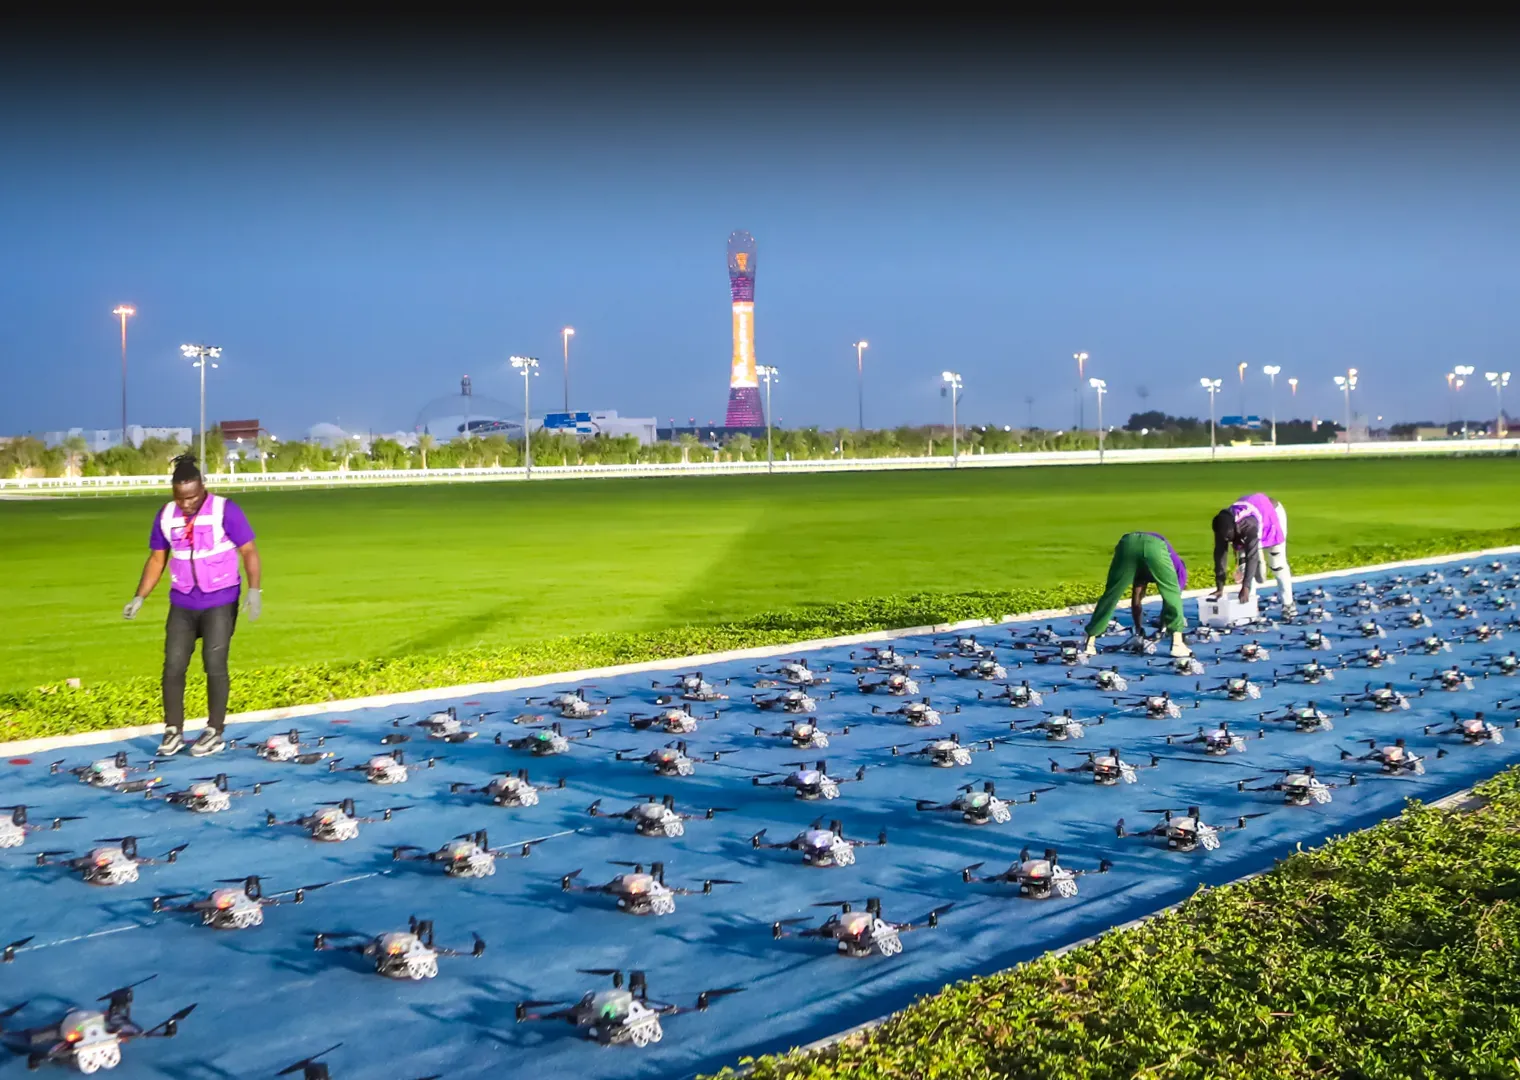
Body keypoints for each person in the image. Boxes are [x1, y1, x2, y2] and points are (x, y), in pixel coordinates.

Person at [122, 453, 261, 757]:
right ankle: (173, 730)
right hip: (183, 602)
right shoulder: (166, 516)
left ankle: (215, 729)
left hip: (220, 600)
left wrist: (254, 590)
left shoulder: (226, 510)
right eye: (181, 497)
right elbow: (157, 559)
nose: (187, 503)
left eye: (193, 496)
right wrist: (139, 596)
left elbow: (249, 551)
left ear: (203, 487)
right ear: (174, 492)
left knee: (214, 664)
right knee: (172, 666)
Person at [1081, 532, 1193, 658]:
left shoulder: (1142, 570)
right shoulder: (1179, 570)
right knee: (1172, 593)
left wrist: (1138, 629)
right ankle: (1177, 644)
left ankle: (1089, 641)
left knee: (1112, 592)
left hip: (1128, 544)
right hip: (1154, 546)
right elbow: (1172, 600)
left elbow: (1136, 599)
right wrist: (1165, 626)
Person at [1211, 493, 1295, 619]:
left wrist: (1245, 586)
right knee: (1245, 566)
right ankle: (1249, 606)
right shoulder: (1222, 526)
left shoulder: (1248, 524)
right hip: (1250, 522)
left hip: (1272, 517)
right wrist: (1220, 586)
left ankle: (1288, 604)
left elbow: (1252, 556)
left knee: (1277, 563)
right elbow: (1220, 554)